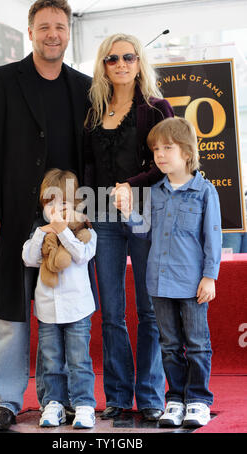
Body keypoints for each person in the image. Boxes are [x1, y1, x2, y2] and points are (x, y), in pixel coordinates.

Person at [0, 0, 92, 431]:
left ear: (68, 33)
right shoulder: (1, 79)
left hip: (67, 219)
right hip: (13, 217)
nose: (52, 34)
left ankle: (60, 398)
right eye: (44, 27)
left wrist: (86, 215)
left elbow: (89, 155)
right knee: (10, 312)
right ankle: (4, 399)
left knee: (65, 313)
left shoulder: (82, 86)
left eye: (59, 26)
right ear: (30, 32)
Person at [84, 33, 174, 421]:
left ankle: (151, 396)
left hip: (145, 215)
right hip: (102, 219)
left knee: (150, 310)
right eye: (112, 58)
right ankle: (119, 395)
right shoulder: (92, 111)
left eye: (129, 57)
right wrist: (85, 207)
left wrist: (131, 186)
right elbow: (87, 164)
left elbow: (167, 162)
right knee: (111, 313)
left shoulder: (156, 109)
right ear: (103, 65)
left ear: (140, 63)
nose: (121, 64)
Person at [114, 117, 222, 428]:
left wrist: (209, 276)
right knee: (170, 344)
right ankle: (175, 399)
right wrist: (127, 214)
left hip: (192, 284)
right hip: (159, 284)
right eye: (156, 149)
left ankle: (198, 400)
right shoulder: (156, 192)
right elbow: (143, 231)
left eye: (168, 148)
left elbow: (212, 237)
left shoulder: (205, 192)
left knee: (198, 342)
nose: (160, 155)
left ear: (187, 152)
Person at [22, 169, 97, 429]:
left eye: (63, 203)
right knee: (51, 360)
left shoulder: (86, 231)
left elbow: (81, 255)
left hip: (77, 308)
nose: (55, 209)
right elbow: (29, 259)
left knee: (79, 360)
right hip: (47, 311)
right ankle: (54, 403)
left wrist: (63, 230)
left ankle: (84, 405)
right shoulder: (39, 234)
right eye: (49, 203)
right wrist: (45, 232)